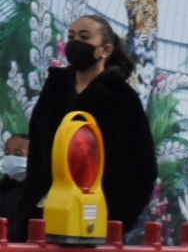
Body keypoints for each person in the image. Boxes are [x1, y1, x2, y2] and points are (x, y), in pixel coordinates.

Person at [22, 14, 158, 236]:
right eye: (71, 36)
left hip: (95, 223)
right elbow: (37, 154)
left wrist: (117, 221)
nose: (75, 43)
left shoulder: (122, 97)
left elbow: (142, 168)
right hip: (43, 218)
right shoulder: (54, 90)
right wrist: (27, 207)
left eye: (85, 37)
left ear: (105, 50)